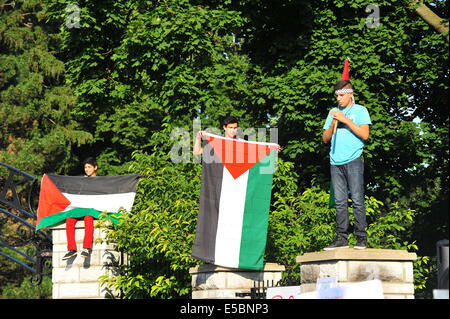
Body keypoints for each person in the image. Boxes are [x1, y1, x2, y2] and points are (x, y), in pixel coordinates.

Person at [322, 80, 372, 250]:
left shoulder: (360, 110)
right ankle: (341, 238)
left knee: (357, 199)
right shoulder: (333, 113)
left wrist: (345, 120)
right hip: (335, 161)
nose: (339, 99)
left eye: (342, 95)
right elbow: (325, 138)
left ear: (351, 94)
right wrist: (333, 122)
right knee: (340, 202)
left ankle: (361, 238)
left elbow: (365, 135)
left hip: (354, 160)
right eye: (336, 95)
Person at [61, 157, 97, 260]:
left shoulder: (101, 181)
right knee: (69, 219)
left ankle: (87, 248)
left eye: (89, 167)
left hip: (93, 209)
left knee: (88, 218)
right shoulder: (82, 181)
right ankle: (71, 249)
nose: (87, 169)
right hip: (82, 207)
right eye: (85, 167)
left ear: (95, 168)